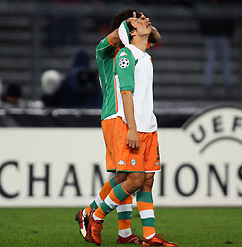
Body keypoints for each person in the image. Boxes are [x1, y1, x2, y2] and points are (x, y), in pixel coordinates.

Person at [85, 17, 177, 246]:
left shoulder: (144, 54)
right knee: (131, 179)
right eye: (138, 20)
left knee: (145, 180)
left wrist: (143, 24)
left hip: (149, 126)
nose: (145, 20)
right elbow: (126, 93)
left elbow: (156, 36)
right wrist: (132, 128)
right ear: (130, 32)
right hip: (127, 124)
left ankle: (148, 236)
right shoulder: (124, 55)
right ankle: (95, 216)